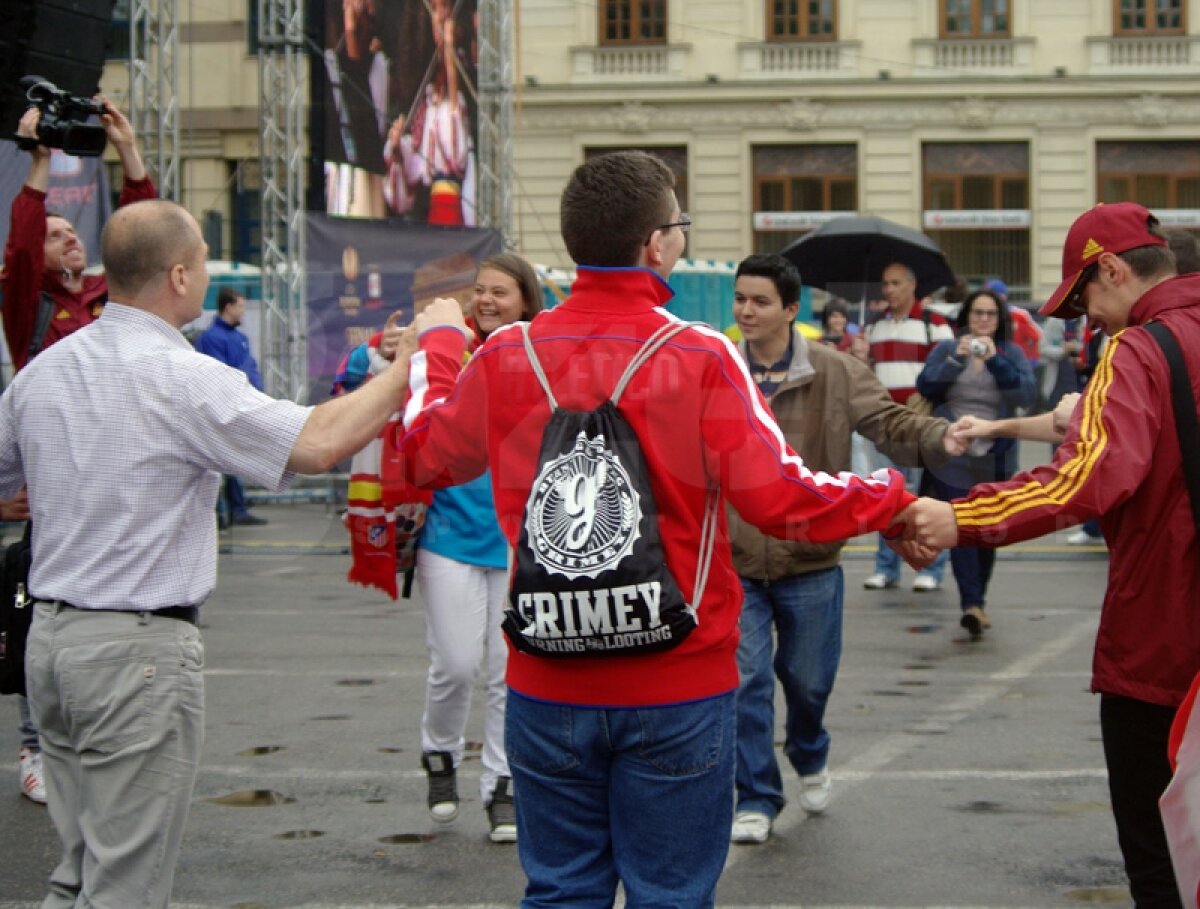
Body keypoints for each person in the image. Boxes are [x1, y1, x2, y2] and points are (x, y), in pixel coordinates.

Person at [387, 150, 924, 907]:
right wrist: (890, 498)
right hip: (677, 678)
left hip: (548, 672)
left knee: (562, 889)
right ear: (656, 245)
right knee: (670, 895)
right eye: (678, 224)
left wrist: (439, 349)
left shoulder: (508, 354)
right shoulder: (700, 354)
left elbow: (422, 453)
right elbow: (780, 496)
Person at [0, 198, 452, 909]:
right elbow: (314, 444)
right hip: (133, 650)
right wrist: (404, 373)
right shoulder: (181, 375)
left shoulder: (45, 371)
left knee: (81, 869)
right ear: (180, 275)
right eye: (205, 257)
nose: (208, 271)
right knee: (124, 886)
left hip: (52, 640)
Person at [905, 201, 1196, 908]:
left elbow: (1083, 478)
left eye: (1085, 298)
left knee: (1164, 865)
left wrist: (959, 515)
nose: (1087, 320)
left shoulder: (1140, 349)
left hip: (1165, 639)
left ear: (1114, 269)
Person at [727, 253, 963, 844]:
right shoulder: (720, 367)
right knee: (744, 681)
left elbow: (890, 424)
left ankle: (809, 748)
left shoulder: (833, 369)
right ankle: (755, 795)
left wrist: (942, 435)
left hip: (810, 561)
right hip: (736, 562)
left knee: (807, 682)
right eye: (740, 299)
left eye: (759, 301)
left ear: (790, 308)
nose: (745, 311)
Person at [1, 98, 157, 806]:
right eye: (56, 232)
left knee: (129, 616)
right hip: (58, 492)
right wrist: (40, 163)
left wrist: (128, 152)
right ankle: (38, 745)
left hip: (124, 482)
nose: (68, 239)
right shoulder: (29, 306)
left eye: (76, 232)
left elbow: (151, 241)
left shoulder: (109, 301)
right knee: (45, 616)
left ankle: (116, 736)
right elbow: (22, 243)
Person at [417, 253, 541, 843]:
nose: (486, 301)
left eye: (501, 292)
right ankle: (439, 756)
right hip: (448, 534)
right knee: (457, 664)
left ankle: (501, 785)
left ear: (526, 300)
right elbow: (386, 384)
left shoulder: (537, 356)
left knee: (509, 673)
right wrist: (396, 351)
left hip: (516, 539)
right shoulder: (444, 349)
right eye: (479, 291)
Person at [915, 288, 1036, 637]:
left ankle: (977, 598)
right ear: (966, 317)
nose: (983, 320)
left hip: (995, 452)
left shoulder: (1011, 352)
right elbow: (927, 387)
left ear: (999, 321)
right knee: (962, 522)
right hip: (952, 449)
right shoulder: (948, 348)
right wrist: (956, 361)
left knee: (988, 528)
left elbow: (1024, 396)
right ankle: (971, 604)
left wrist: (996, 360)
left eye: (990, 314)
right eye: (977, 313)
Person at [861, 261, 954, 591]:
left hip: (919, 426)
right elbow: (865, 376)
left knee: (922, 497)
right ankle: (886, 567)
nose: (888, 290)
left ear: (912, 286)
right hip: (883, 426)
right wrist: (860, 356)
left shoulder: (936, 325)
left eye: (895, 283)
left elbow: (949, 373)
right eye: (885, 284)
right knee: (885, 496)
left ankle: (930, 565)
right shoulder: (874, 327)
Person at [196, 289, 269, 528]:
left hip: (242, 404)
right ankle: (221, 513)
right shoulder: (211, 338)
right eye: (240, 306)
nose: (243, 311)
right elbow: (217, 373)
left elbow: (249, 369)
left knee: (232, 460)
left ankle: (235, 509)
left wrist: (257, 395)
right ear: (228, 307)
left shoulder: (240, 337)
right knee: (218, 464)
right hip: (223, 408)